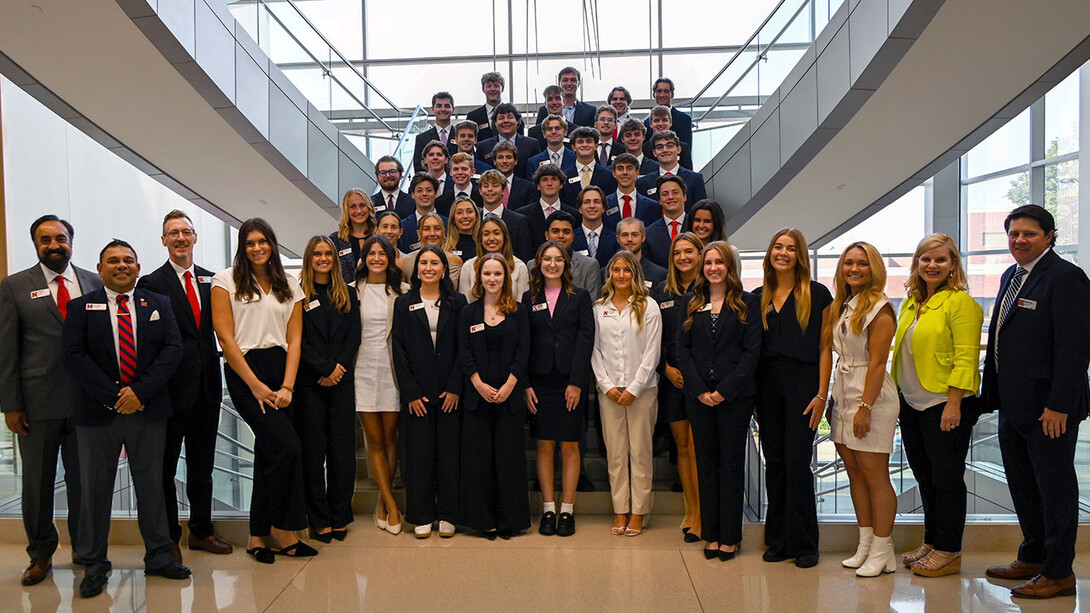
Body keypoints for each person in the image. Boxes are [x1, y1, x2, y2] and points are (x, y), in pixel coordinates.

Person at [62, 239, 188, 598]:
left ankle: (160, 556)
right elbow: (73, 356)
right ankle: (94, 563)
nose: (121, 266)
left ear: (137, 267)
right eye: (113, 261)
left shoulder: (158, 304)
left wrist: (140, 393)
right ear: (100, 270)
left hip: (147, 411)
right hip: (97, 414)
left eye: (128, 261)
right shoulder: (80, 307)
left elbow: (172, 350)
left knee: (152, 487)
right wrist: (116, 396)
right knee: (95, 492)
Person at [982, 205, 1090, 599]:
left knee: (1055, 489)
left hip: (1050, 410)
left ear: (1049, 236)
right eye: (1014, 234)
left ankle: (1059, 572)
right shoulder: (1012, 275)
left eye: (1029, 234)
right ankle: (1033, 555)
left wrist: (1059, 404)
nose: (1020, 241)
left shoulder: (1065, 278)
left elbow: (1075, 349)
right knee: (1024, 486)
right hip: (1015, 405)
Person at [0, 215, 101, 586]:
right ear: (36, 245)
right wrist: (11, 404)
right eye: (46, 240)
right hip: (36, 404)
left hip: (87, 402)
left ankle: (85, 548)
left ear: (71, 241)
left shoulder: (93, 282)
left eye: (60, 238)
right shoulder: (14, 287)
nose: (54, 245)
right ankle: (40, 554)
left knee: (84, 482)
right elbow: (7, 349)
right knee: (38, 484)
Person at [211, 218, 317, 564]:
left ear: (272, 244)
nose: (257, 248)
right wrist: (255, 386)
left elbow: (295, 338)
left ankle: (257, 535)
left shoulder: (288, 283)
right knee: (287, 447)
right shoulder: (224, 280)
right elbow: (226, 338)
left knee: (270, 452)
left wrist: (287, 385)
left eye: (263, 242)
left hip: (283, 370)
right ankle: (283, 530)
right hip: (246, 372)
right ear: (242, 247)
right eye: (250, 243)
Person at [137, 210, 232, 563]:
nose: (180, 238)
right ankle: (168, 539)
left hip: (207, 388)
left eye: (186, 232)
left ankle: (202, 531)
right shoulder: (150, 284)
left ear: (195, 238)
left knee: (202, 466)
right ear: (164, 240)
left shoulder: (213, 280)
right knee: (164, 469)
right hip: (169, 393)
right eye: (173, 233)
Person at [891, 233, 982, 578]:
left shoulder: (961, 303)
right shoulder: (912, 302)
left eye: (940, 259)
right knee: (925, 476)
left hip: (946, 404)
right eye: (925, 259)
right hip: (912, 404)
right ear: (917, 263)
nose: (932, 265)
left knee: (946, 478)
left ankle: (949, 549)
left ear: (953, 265)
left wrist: (954, 402)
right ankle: (932, 540)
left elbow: (966, 358)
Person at [675, 241, 761, 562]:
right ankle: (711, 534)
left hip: (734, 397)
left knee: (730, 465)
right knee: (706, 465)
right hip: (698, 397)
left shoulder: (747, 303)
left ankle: (730, 536)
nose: (713, 268)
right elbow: (681, 350)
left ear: (730, 267)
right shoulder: (691, 302)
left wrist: (724, 391)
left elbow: (751, 353)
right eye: (708, 262)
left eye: (719, 262)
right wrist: (698, 389)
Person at [752, 229, 833, 569]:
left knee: (798, 464)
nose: (782, 253)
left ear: (800, 255)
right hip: (767, 387)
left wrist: (821, 395)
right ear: (770, 252)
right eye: (777, 246)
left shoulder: (818, 294)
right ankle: (779, 540)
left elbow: (826, 347)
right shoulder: (758, 296)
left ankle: (805, 544)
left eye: (790, 248)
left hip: (804, 386)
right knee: (775, 464)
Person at [827, 242, 898, 577]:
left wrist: (866, 407)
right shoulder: (844, 305)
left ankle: (882, 548)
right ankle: (867, 544)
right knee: (854, 471)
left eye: (862, 264)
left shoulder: (880, 309)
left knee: (875, 475)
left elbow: (878, 363)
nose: (854, 269)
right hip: (844, 392)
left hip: (871, 396)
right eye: (849, 263)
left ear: (874, 270)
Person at [392, 245, 468, 539]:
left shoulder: (457, 302)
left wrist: (454, 388)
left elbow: (465, 348)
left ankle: (448, 513)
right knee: (419, 455)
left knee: (449, 454)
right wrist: (410, 392)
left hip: (450, 392)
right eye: (423, 262)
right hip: (417, 394)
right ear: (416, 269)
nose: (428, 267)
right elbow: (398, 349)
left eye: (435, 262)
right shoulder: (404, 303)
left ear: (443, 269)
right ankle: (421, 514)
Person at [522, 242, 594, 537]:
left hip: (569, 382)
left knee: (569, 445)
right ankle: (548, 508)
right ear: (538, 263)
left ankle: (567, 510)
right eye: (546, 259)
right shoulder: (529, 298)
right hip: (539, 382)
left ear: (567, 264)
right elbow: (523, 343)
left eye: (558, 260)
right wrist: (525, 384)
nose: (552, 264)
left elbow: (585, 339)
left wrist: (576, 382)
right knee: (544, 445)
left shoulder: (580, 297)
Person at [459, 254, 531, 539]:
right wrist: (477, 383)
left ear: (506, 278)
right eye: (487, 274)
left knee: (508, 460)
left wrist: (511, 383)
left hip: (509, 399)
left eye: (497, 274)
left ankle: (508, 521)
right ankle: (483, 520)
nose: (492, 279)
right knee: (479, 463)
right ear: (479, 278)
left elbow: (524, 351)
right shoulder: (469, 313)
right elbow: (463, 351)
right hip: (477, 399)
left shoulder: (519, 312)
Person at [592, 250, 662, 537]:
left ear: (635, 273)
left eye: (626, 270)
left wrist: (633, 388)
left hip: (642, 392)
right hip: (609, 392)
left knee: (641, 453)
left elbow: (652, 352)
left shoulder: (649, 306)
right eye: (616, 270)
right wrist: (607, 385)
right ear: (609, 274)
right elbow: (594, 350)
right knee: (616, 454)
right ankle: (620, 509)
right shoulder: (599, 308)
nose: (621, 275)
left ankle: (639, 511)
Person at [296, 235, 361, 544]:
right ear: (309, 259)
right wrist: (324, 369)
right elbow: (297, 340)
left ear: (335, 259)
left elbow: (354, 337)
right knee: (313, 454)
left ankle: (339, 515)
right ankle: (318, 518)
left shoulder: (347, 293)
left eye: (328, 254)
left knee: (342, 454)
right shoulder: (297, 294)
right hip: (310, 384)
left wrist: (338, 370)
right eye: (317, 254)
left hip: (341, 383)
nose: (323, 258)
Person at [354, 234, 408, 537]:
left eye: (382, 253)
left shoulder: (403, 291)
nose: (376, 258)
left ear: (390, 258)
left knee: (391, 438)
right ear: (364, 258)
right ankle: (389, 504)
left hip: (392, 371)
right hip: (362, 370)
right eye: (371, 253)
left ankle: (382, 500)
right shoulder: (351, 291)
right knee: (372, 440)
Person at [652, 232, 704, 543]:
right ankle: (692, 508)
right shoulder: (661, 292)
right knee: (682, 448)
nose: (683, 258)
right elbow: (652, 337)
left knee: (699, 449)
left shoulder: (710, 287)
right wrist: (665, 368)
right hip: (672, 379)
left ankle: (704, 513)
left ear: (700, 254)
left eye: (689, 252)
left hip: (700, 380)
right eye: (677, 253)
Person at [459, 215, 529, 300]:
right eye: (486, 234)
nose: (491, 238)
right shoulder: (468, 266)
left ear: (504, 237)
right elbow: (465, 305)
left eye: (496, 233)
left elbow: (522, 304)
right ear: (480, 239)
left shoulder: (520, 267)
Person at [515, 164, 582, 254]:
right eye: (544, 179)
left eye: (554, 179)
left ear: (561, 184)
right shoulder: (523, 215)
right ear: (538, 185)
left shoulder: (575, 215)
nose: (549, 183)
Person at [635, 131, 707, 210]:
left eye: (670, 146)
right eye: (660, 147)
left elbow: (701, 211)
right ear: (654, 153)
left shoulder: (695, 179)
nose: (665, 150)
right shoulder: (643, 182)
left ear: (678, 149)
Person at [478, 168, 535, 261]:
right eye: (485, 186)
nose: (490, 189)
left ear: (504, 190)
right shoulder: (474, 219)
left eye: (495, 185)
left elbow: (525, 255)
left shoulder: (519, 221)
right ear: (480, 190)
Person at [477, 103, 541, 179]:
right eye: (501, 118)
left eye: (510, 117)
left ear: (518, 121)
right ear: (495, 123)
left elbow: (537, 174)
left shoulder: (532, 145)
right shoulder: (483, 147)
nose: (506, 121)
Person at [329, 189, 376, 284]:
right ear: (346, 210)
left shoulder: (379, 237)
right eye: (353, 207)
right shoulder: (335, 240)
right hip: (347, 296)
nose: (358, 211)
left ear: (369, 207)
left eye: (362, 205)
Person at [402, 212, 463, 284]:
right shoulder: (406, 262)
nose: (432, 233)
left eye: (437, 229)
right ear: (419, 233)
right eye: (426, 229)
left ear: (444, 232)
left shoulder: (455, 261)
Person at [562, 127, 618, 205]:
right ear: (573, 147)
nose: (584, 145)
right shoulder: (564, 177)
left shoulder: (608, 176)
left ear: (596, 146)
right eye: (580, 142)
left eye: (589, 141)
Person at [606, 153, 661, 231]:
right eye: (620, 168)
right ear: (614, 173)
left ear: (637, 173)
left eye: (629, 168)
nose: (625, 172)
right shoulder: (604, 204)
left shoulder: (652, 206)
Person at [644, 175, 689, 268]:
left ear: (684, 196)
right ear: (660, 200)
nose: (670, 197)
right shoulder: (649, 234)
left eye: (675, 192)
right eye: (665, 194)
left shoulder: (696, 227)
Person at [572, 186, 619, 267]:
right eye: (587, 202)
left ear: (604, 208)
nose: (592, 206)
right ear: (580, 208)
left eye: (597, 201)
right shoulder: (571, 239)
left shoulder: (615, 240)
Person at [467, 71, 521, 142]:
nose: (492, 89)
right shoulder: (473, 117)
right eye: (489, 86)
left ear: (502, 88)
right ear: (483, 89)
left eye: (496, 86)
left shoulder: (514, 114)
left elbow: (520, 140)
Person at [399, 174, 446, 254]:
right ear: (413, 194)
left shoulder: (448, 224)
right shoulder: (403, 226)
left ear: (436, 193)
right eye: (419, 191)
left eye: (429, 190)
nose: (424, 194)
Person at [645, 78, 693, 154]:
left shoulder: (684, 119)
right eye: (659, 91)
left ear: (672, 95)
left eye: (666, 91)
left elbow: (686, 150)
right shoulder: (647, 122)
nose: (662, 95)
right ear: (654, 95)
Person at [614, 218, 667, 285]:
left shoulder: (659, 274)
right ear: (618, 239)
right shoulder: (606, 273)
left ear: (643, 237)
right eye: (625, 235)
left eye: (635, 234)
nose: (629, 239)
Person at [491, 141, 540, 210]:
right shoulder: (486, 187)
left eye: (509, 157)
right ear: (494, 161)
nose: (504, 161)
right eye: (500, 157)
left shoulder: (528, 188)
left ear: (516, 161)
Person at [414, 92, 455, 173]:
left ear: (453, 109)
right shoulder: (422, 138)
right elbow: (418, 166)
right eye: (439, 106)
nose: (443, 109)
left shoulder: (461, 136)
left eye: (447, 106)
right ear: (432, 109)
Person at [643, 105, 694, 170]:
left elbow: (688, 174)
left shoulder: (684, 148)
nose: (660, 124)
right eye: (656, 120)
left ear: (670, 122)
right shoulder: (644, 149)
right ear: (650, 124)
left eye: (664, 120)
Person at [525, 114, 576, 179]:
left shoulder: (576, 158)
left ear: (565, 132)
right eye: (549, 129)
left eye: (557, 128)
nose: (553, 132)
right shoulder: (533, 162)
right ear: (544, 134)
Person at [444, 195, 482, 261]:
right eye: (459, 213)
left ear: (476, 217)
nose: (465, 216)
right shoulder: (445, 246)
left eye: (469, 211)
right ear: (453, 219)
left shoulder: (483, 244)